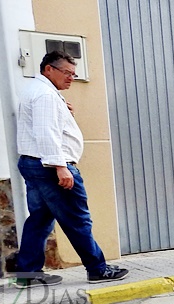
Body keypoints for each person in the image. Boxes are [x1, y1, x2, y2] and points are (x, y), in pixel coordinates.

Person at [10, 51, 129, 288]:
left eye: (73, 74)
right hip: (50, 167)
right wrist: (60, 167)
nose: (71, 78)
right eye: (67, 72)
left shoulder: (40, 91)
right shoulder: (45, 95)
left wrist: (64, 111)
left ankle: (28, 274)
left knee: (40, 219)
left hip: (34, 164)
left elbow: (46, 127)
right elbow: (46, 134)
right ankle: (97, 269)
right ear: (48, 70)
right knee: (77, 219)